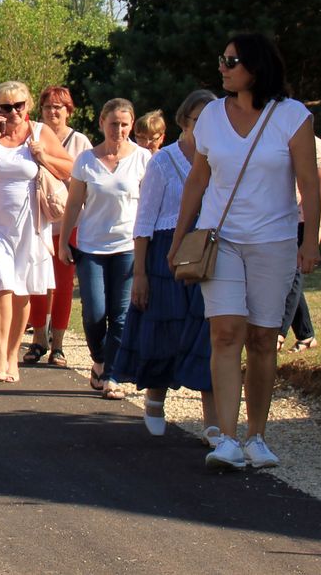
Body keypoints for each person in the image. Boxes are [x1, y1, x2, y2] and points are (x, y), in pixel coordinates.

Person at [169, 33, 319, 471]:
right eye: (222, 59)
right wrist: (180, 237)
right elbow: (198, 179)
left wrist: (310, 241)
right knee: (226, 332)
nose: (223, 66)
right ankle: (228, 440)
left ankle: (257, 436)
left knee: (261, 338)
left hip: (274, 240)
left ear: (256, 66)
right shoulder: (212, 115)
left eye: (232, 60)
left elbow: (309, 181)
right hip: (221, 239)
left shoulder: (293, 116)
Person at [113, 89, 220, 444]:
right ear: (184, 122)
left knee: (209, 332)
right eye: (197, 120)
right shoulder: (164, 162)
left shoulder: (222, 159)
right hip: (165, 253)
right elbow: (143, 221)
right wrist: (140, 274)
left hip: (209, 250)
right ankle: (156, 399)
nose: (204, 127)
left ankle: (214, 423)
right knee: (163, 329)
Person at [0, 81, 73, 383]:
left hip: (29, 222)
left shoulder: (39, 132)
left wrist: (43, 157)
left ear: (28, 106)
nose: (13, 112)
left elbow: (69, 168)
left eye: (18, 106)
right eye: (5, 107)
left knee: (23, 289)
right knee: (1, 285)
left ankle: (13, 356)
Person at [59, 98, 150, 399]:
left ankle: (111, 374)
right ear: (101, 123)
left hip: (127, 246)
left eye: (125, 125)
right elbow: (74, 203)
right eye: (114, 124)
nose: (119, 130)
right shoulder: (86, 160)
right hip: (91, 246)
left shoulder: (143, 158)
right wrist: (63, 242)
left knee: (121, 314)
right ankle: (98, 359)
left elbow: (150, 204)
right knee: (94, 314)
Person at [25, 86, 93, 367]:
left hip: (70, 222)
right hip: (37, 222)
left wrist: (45, 158)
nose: (53, 112)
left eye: (59, 107)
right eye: (48, 107)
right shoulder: (29, 136)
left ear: (69, 110)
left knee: (64, 285)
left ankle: (59, 345)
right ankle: (38, 339)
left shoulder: (79, 142)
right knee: (37, 283)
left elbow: (85, 180)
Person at [277, 135, 321, 353]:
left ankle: (278, 333)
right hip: (279, 220)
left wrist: (318, 226)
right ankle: (306, 335)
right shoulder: (277, 141)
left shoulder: (316, 144)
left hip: (303, 220)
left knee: (293, 275)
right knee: (288, 276)